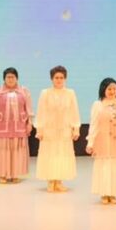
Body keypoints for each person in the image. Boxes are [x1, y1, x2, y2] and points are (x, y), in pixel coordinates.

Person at [86, 78, 116, 204]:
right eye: (109, 89)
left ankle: (113, 193)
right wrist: (90, 143)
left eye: (114, 89)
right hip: (102, 141)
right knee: (104, 166)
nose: (112, 91)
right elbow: (93, 125)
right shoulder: (98, 105)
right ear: (103, 90)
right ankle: (104, 193)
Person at [35, 65, 81, 193]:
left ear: (65, 78)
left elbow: (74, 111)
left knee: (62, 155)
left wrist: (76, 128)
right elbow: (41, 111)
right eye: (56, 77)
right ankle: (50, 181)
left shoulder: (70, 93)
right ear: (52, 79)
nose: (59, 80)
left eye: (61, 77)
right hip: (49, 130)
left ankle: (59, 181)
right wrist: (39, 129)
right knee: (50, 154)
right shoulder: (45, 93)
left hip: (64, 130)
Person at [0, 67, 33, 183]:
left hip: (19, 126)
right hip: (1, 126)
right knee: (2, 150)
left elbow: (29, 109)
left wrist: (30, 123)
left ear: (17, 78)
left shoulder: (24, 91)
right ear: (4, 78)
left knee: (17, 149)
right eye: (8, 77)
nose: (10, 79)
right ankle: (2, 174)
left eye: (13, 77)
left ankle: (15, 174)